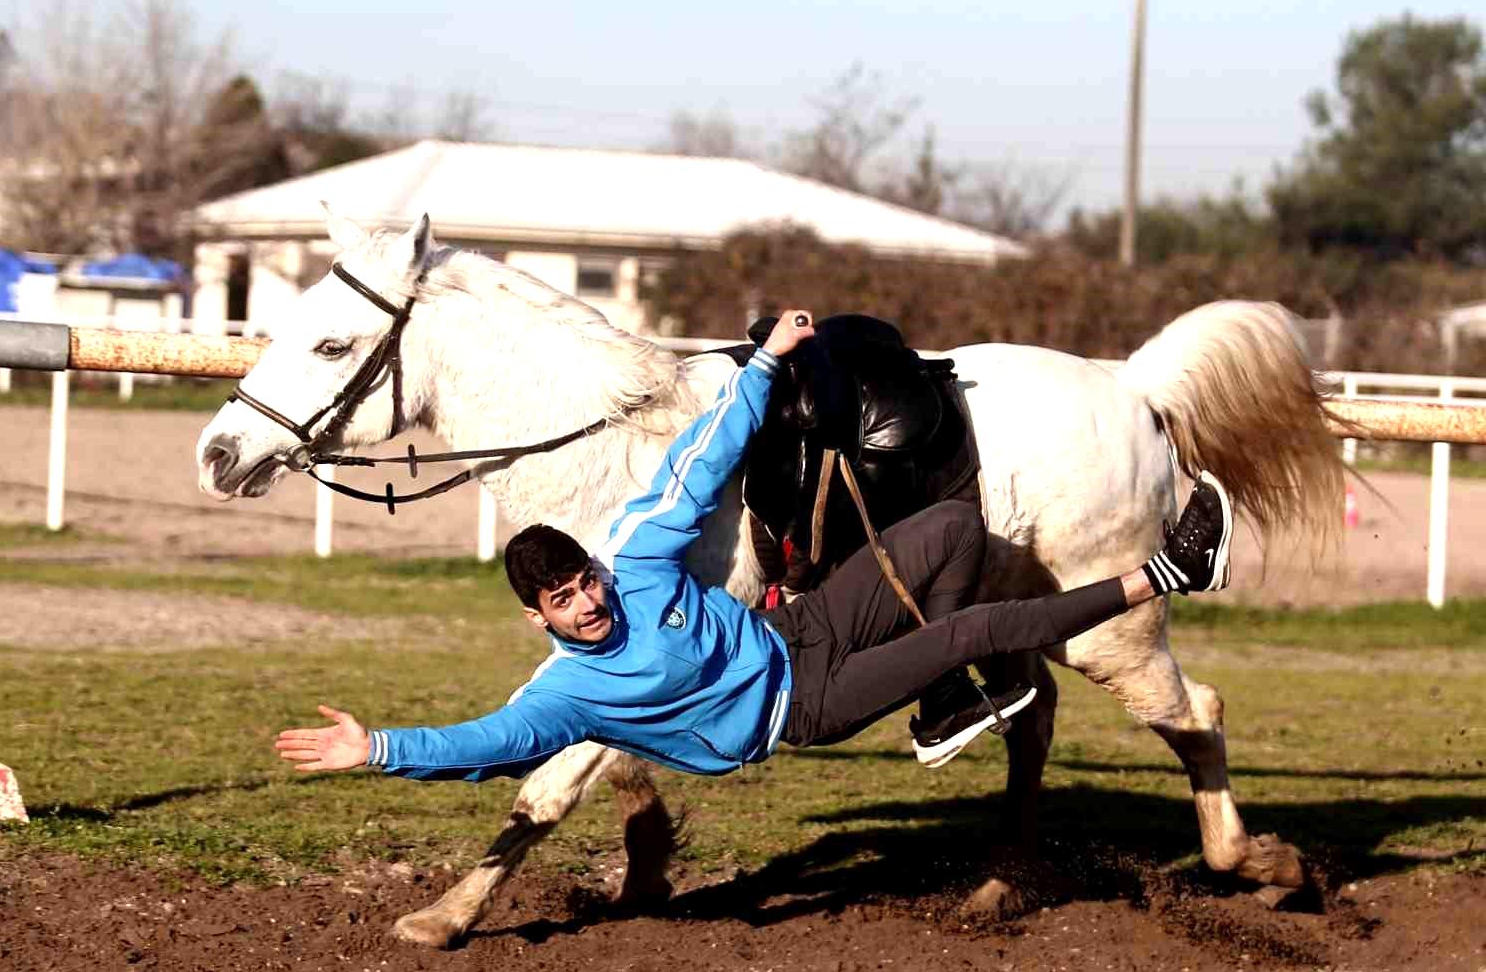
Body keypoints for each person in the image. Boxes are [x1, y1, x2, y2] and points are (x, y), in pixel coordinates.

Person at [275, 310, 1234, 781]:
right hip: (798, 704)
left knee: (950, 528)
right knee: (975, 632)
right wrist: (379, 749)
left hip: (801, 629)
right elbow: (493, 743)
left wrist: (769, 361)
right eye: (567, 603)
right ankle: (1163, 572)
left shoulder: (637, 558)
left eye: (586, 582)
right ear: (541, 620)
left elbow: (704, 462)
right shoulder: (568, 693)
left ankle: (945, 705)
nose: (591, 602)